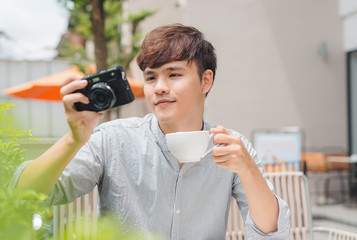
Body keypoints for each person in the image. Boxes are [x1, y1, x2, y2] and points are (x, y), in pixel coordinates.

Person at [12, 24, 290, 239]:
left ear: (206, 80)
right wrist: (74, 139)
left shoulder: (232, 149)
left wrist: (248, 170)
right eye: (150, 77)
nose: (159, 87)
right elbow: (25, 195)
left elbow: (273, 234)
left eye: (174, 74)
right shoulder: (113, 139)